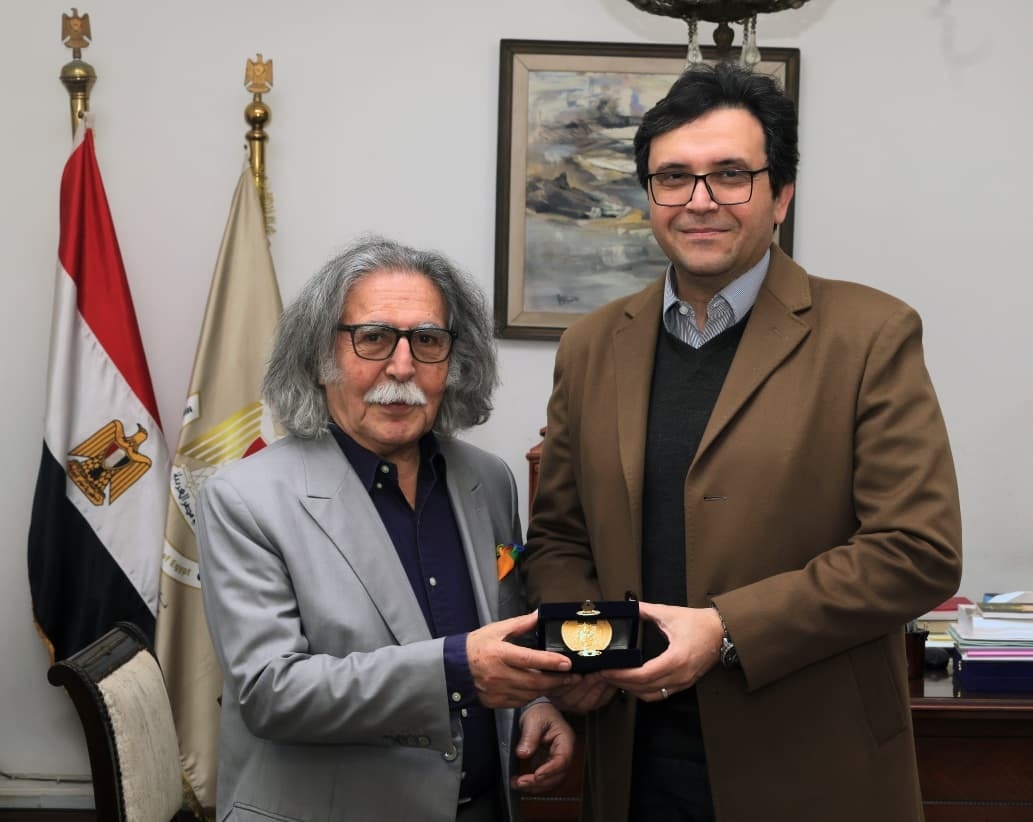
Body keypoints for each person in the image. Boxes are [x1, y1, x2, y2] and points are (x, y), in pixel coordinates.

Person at [523, 62, 962, 822]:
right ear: (649, 196)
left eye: (730, 175)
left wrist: (726, 630)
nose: (700, 201)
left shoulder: (870, 335)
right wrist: (585, 645)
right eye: (673, 178)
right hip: (633, 763)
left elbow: (915, 550)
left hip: (813, 766)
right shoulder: (591, 345)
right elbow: (559, 535)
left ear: (780, 195)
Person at [197, 236, 577, 822]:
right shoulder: (244, 499)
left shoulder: (488, 480)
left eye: (427, 341)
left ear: (454, 362)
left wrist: (536, 703)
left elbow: (507, 627)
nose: (402, 368)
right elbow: (270, 693)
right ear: (319, 357)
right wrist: (455, 669)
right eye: (372, 338)